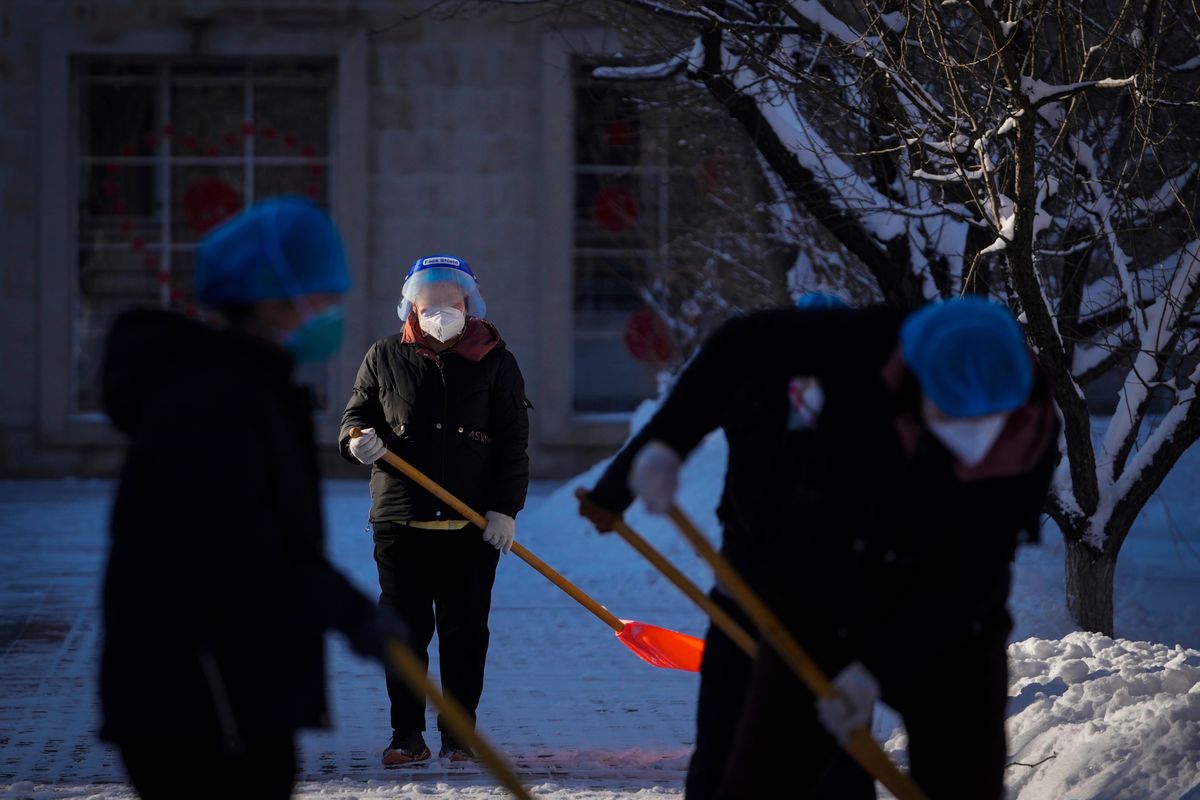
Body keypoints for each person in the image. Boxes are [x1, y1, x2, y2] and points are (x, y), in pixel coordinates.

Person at [602, 296, 1056, 799]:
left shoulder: (1030, 441)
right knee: (761, 779)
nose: (965, 441)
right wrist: (658, 451)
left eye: (983, 427)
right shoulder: (864, 342)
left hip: (952, 627)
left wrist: (874, 673)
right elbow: (735, 348)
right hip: (823, 592)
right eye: (945, 416)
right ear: (914, 379)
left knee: (962, 779)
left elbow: (972, 580)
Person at [99, 197, 396, 800]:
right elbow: (236, 548)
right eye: (318, 297)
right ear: (270, 298)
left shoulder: (250, 386)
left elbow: (269, 535)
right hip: (199, 690)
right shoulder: (213, 399)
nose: (330, 312)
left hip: (232, 685)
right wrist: (351, 613)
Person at [578, 292, 851, 800]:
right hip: (748, 577)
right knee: (727, 730)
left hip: (835, 591)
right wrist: (614, 491)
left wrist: (879, 663)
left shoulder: (878, 384)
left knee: (832, 745)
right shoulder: (751, 362)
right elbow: (677, 420)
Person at [339, 254, 530, 766]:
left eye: (452, 302)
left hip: (472, 528)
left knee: (465, 635)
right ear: (411, 306)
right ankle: (407, 736)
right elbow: (356, 413)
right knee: (404, 635)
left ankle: (459, 737)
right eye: (430, 303)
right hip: (401, 525)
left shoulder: (496, 362)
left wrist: (504, 511)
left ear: (470, 305)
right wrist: (357, 438)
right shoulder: (383, 356)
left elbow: (512, 443)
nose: (441, 311)